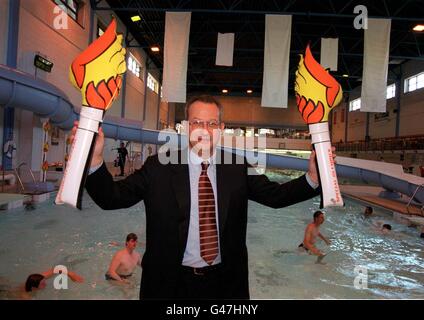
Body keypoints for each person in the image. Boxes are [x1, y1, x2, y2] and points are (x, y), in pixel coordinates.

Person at [79, 95, 333, 299]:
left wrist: (311, 179)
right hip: (170, 283)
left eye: (212, 124)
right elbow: (112, 198)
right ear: (187, 126)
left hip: (224, 283)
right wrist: (95, 161)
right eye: (197, 122)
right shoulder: (159, 167)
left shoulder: (236, 167)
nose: (204, 130)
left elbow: (276, 196)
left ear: (221, 129)